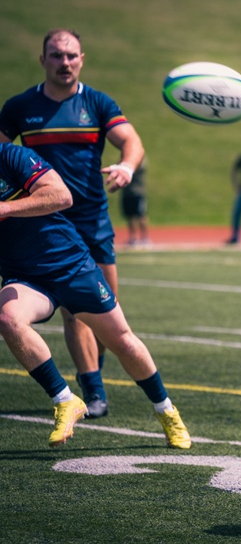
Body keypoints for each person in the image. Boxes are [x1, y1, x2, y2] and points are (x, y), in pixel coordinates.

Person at [0, 141, 191, 449]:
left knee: (122, 342)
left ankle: (166, 410)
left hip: (72, 266)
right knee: (8, 318)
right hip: (25, 277)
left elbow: (61, 196)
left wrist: (6, 207)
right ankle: (65, 399)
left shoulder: (10, 156)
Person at [0, 29, 146, 419]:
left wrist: (127, 166)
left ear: (82, 58)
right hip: (45, 223)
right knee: (72, 310)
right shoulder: (20, 107)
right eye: (56, 56)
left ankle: (95, 381)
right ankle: (93, 391)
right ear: (42, 60)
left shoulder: (97, 103)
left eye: (71, 56)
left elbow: (131, 140)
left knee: (107, 311)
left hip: (92, 219)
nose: (64, 63)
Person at [122, 157, 150, 246]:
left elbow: (137, 167)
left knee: (141, 215)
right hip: (127, 193)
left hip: (137, 192)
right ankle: (133, 238)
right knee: (130, 216)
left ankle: (145, 238)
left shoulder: (140, 161)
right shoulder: (124, 159)